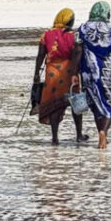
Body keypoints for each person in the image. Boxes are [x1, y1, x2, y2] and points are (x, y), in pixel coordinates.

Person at [31, 8, 86, 145]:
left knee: (55, 105)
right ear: (69, 21)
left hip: (52, 73)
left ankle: (55, 138)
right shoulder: (74, 35)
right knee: (75, 103)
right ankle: (79, 135)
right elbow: (78, 54)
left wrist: (36, 73)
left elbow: (40, 56)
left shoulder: (46, 35)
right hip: (69, 72)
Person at [78, 1, 111, 150]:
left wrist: (75, 72)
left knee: (95, 104)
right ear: (107, 13)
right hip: (107, 75)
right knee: (109, 105)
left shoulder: (82, 29)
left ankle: (101, 133)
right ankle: (103, 132)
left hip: (88, 75)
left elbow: (76, 51)